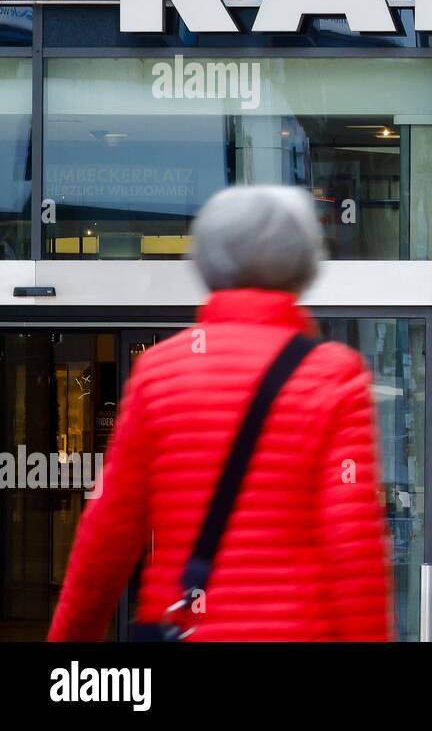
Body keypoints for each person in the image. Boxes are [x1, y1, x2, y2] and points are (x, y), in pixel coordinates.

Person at [48, 185, 392, 641]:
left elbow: (106, 536)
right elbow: (353, 547)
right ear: (304, 268)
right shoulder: (333, 375)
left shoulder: (158, 373)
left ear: (207, 265)